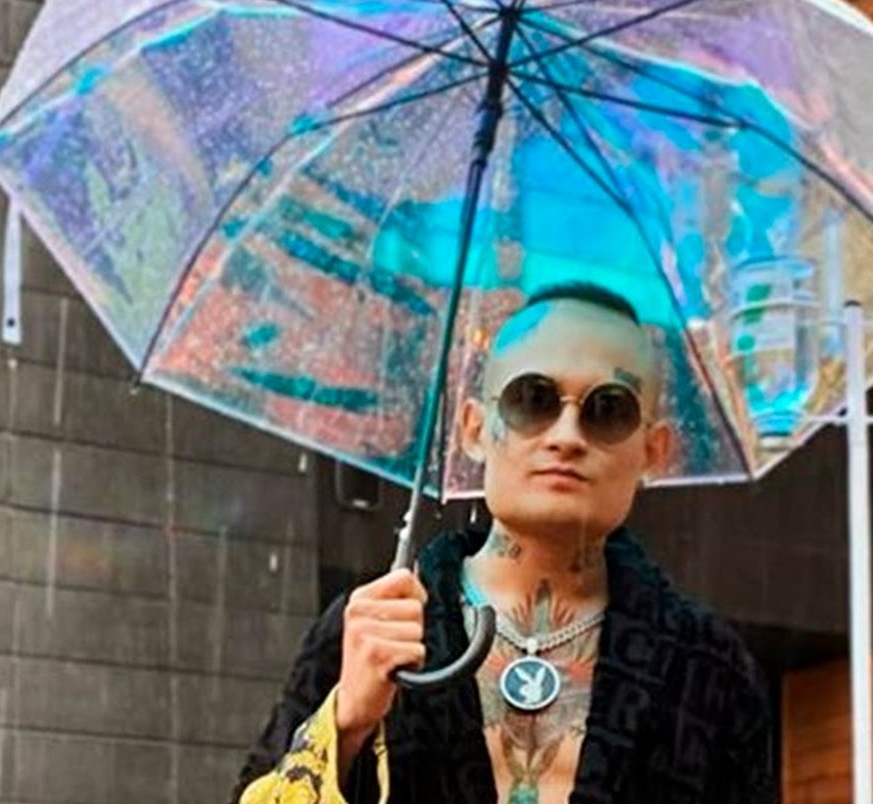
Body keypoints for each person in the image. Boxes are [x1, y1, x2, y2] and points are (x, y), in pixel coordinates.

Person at [229, 281, 776, 804]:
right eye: (533, 399)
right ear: (474, 429)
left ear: (653, 451)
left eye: (608, 409)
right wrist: (347, 721)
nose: (566, 436)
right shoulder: (376, 627)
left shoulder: (711, 668)